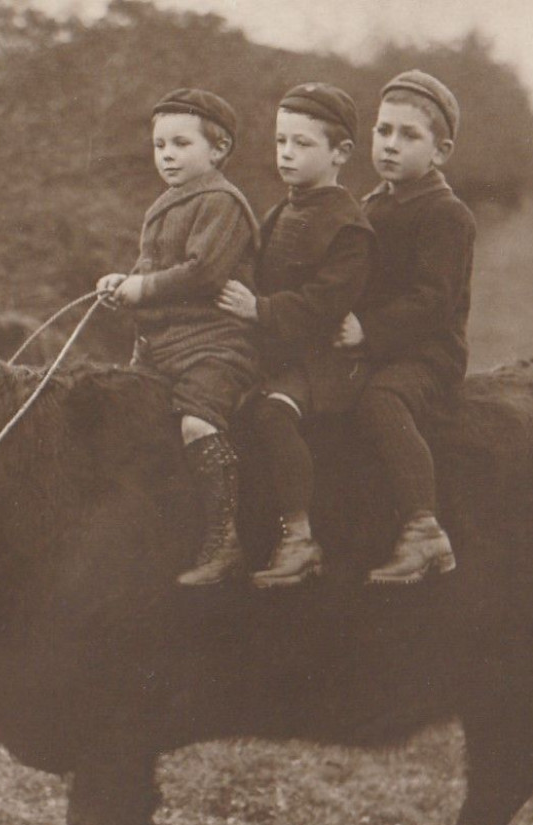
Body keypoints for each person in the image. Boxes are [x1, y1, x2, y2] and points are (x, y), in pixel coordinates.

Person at [97, 88, 261, 586]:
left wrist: (141, 288)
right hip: (160, 348)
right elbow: (153, 266)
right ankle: (143, 533)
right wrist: (118, 281)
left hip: (214, 347)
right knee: (125, 420)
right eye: (159, 144)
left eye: (181, 143)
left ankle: (224, 534)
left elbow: (204, 272)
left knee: (196, 424)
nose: (166, 154)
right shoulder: (169, 201)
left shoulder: (221, 201)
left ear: (218, 149)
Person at [214, 83, 374, 587]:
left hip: (326, 362)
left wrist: (258, 310)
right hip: (280, 352)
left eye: (302, 144)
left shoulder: (348, 225)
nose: (286, 154)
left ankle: (300, 538)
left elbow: (326, 304)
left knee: (273, 414)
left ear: (340, 153)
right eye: (281, 141)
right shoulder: (280, 212)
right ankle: (225, 537)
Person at [342, 70, 475, 584]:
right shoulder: (368, 205)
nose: (390, 145)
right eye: (383, 131)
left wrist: (367, 333)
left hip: (428, 354)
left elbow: (433, 301)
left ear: (440, 151)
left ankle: (424, 530)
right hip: (373, 346)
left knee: (382, 400)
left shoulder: (447, 214)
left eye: (408, 135)